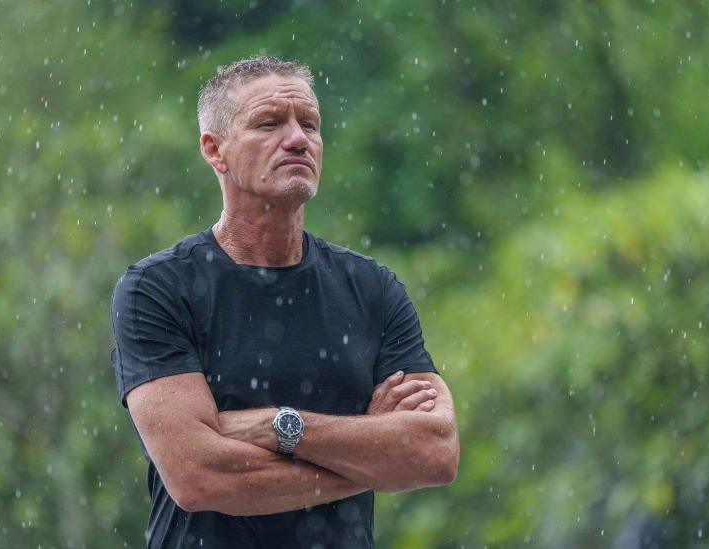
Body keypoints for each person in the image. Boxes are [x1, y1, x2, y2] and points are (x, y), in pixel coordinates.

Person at [109, 55, 459, 548]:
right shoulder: (158, 290)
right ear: (215, 150)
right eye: (269, 123)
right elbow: (198, 477)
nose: (297, 139)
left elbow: (436, 454)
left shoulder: (373, 289)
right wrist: (371, 455)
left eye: (310, 124)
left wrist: (279, 427)